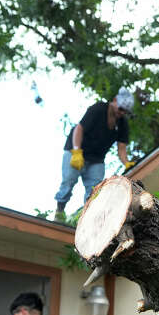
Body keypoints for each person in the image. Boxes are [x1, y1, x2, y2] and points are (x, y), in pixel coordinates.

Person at [53, 87, 135, 221]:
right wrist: (76, 151)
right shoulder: (98, 109)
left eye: (125, 111)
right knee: (68, 182)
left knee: (95, 191)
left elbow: (121, 148)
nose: (122, 113)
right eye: (121, 109)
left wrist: (126, 162)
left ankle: (87, 219)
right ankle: (59, 211)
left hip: (96, 159)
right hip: (77, 151)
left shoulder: (122, 124)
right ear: (115, 101)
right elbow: (79, 129)